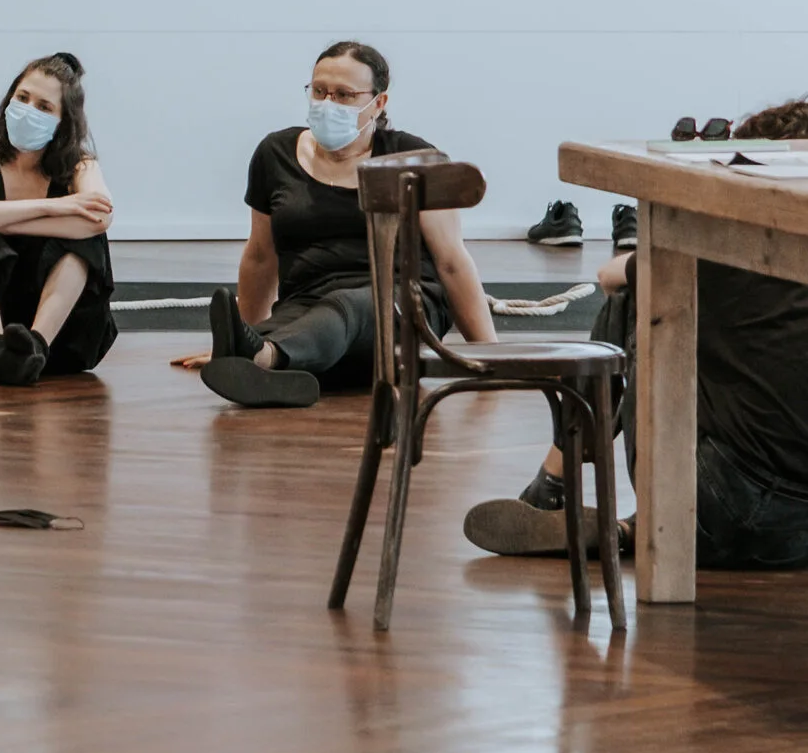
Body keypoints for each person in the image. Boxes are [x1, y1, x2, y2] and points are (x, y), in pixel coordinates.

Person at [465, 95, 808, 568]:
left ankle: (555, 484)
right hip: (798, 534)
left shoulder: (721, 252)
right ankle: (628, 530)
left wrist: (655, 249)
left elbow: (610, 277)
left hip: (724, 506)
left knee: (634, 297)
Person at [205, 39, 495, 407]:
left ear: (378, 103)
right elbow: (261, 257)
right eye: (319, 91)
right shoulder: (274, 154)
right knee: (309, 328)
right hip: (307, 305)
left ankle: (267, 358)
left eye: (344, 95)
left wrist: (491, 357)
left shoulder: (415, 158)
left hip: (401, 304)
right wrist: (248, 335)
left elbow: (451, 261)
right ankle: (266, 360)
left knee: (350, 306)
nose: (328, 103)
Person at [0, 52, 116, 384]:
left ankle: (34, 347)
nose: (29, 110)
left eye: (44, 107)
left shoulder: (81, 167)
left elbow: (99, 219)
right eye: (22, 98)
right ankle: (0, 352)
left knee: (87, 238)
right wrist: (54, 207)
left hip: (62, 344)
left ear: (63, 122)